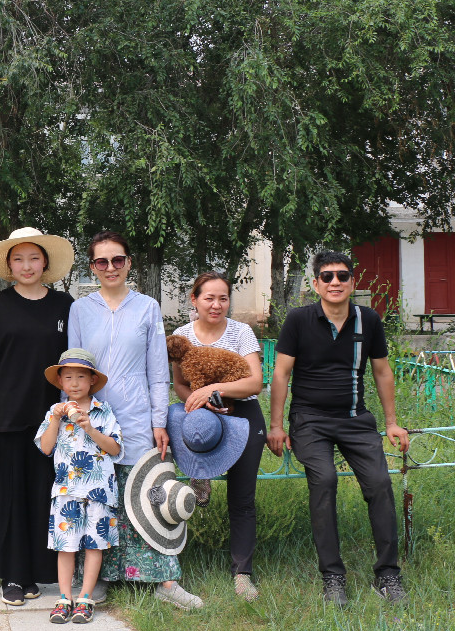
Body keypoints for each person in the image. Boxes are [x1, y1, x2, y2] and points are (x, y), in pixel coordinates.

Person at [67, 231, 201, 610]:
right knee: (97, 498)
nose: (110, 268)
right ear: (91, 266)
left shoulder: (147, 307)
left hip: (137, 415)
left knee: (146, 492)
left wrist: (159, 420)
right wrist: (74, 416)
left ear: (129, 262)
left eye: (118, 260)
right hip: (92, 418)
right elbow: (71, 367)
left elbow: (158, 371)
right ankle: (97, 579)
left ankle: (166, 580)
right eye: (101, 262)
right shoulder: (81, 309)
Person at [269, 250, 411, 605]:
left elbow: (381, 371)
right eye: (327, 276)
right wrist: (275, 425)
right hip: (309, 421)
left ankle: (388, 575)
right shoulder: (298, 320)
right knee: (326, 480)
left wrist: (392, 422)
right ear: (315, 283)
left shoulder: (369, 320)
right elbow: (281, 373)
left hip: (354, 418)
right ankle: (333, 576)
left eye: (342, 276)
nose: (335, 282)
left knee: (380, 482)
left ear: (352, 282)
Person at [0, 227, 75, 606]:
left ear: (45, 262)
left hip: (54, 419)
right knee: (8, 497)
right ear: (8, 266)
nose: (26, 266)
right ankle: (12, 576)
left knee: (45, 495)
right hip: (7, 416)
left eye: (34, 258)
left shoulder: (65, 305)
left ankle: (40, 572)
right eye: (18, 259)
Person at [170, 272, 267, 601]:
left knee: (242, 499)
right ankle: (168, 566)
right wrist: (203, 401)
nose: (216, 304)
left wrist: (215, 388)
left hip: (242, 414)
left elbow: (255, 382)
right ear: (194, 300)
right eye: (208, 298)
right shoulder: (181, 335)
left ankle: (242, 573)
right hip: (201, 417)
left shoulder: (241, 332)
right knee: (177, 483)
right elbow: (180, 384)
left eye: (223, 298)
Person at [36, 349, 122, 625]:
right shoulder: (54, 412)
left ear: (92, 381)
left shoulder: (103, 411)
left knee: (94, 545)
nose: (74, 383)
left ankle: (85, 598)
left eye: (81, 377)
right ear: (60, 382)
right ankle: (64, 597)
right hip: (66, 490)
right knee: (66, 546)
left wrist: (90, 428)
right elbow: (46, 448)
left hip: (99, 490)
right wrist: (56, 420)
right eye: (68, 377)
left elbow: (115, 448)